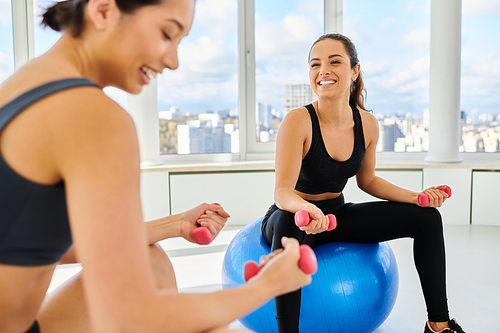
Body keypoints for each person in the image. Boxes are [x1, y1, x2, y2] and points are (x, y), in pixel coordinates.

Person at [0, 1, 313, 332]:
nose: (173, 61)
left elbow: (30, 246)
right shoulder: (95, 117)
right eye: (167, 34)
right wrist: (266, 286)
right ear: (104, 10)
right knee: (201, 324)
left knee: (150, 262)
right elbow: (132, 316)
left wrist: (176, 224)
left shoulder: (25, 83)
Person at [261, 33, 466, 333]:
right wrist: (309, 210)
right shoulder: (298, 121)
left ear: (354, 70)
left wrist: (416, 198)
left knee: (428, 219)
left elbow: (367, 180)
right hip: (294, 216)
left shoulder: (367, 124)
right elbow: (282, 192)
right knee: (289, 223)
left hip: (335, 216)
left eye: (335, 62)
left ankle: (439, 325)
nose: (323, 71)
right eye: (315, 64)